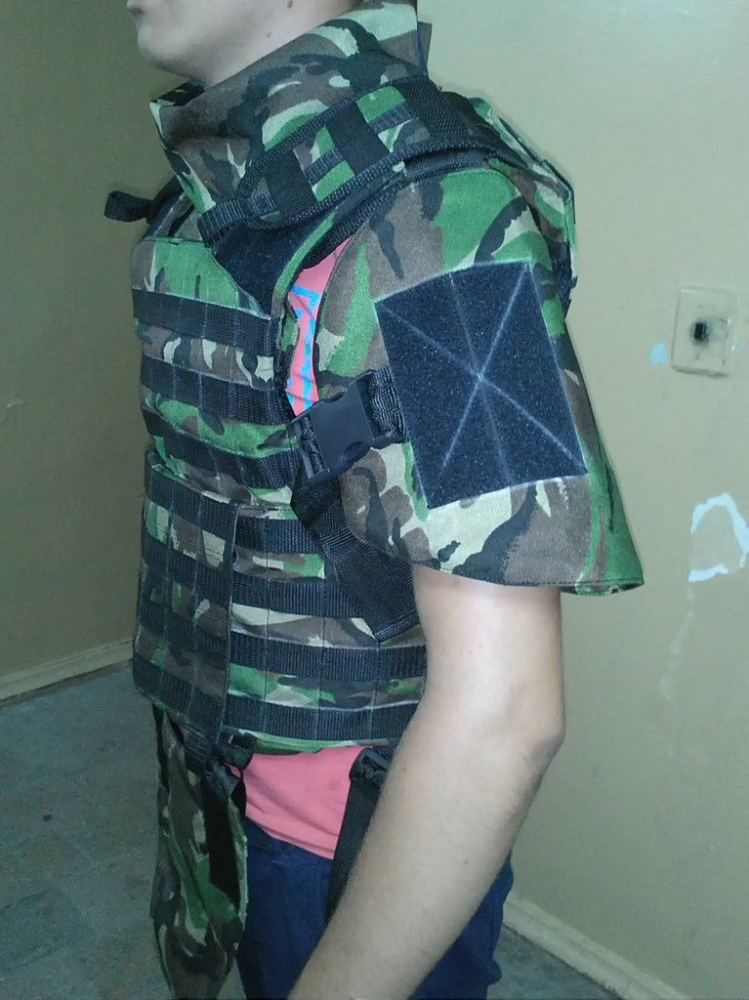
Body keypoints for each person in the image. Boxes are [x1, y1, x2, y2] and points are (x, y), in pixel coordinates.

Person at [115, 1, 644, 998]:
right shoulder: (233, 179)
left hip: (349, 856)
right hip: (228, 789)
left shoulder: (435, 221)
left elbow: (505, 713)